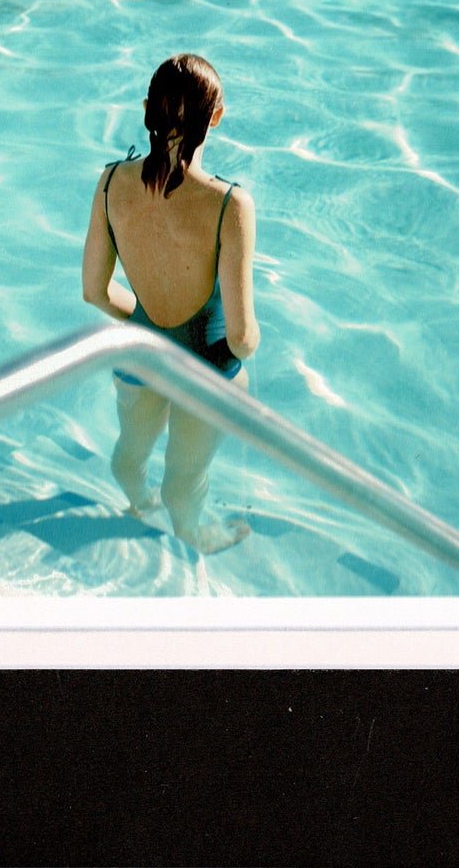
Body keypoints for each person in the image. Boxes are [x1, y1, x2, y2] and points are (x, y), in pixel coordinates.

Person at [81, 54, 260, 553]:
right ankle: (193, 538)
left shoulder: (110, 182)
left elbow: (94, 291)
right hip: (205, 371)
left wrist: (149, 326)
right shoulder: (230, 205)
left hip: (139, 358)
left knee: (129, 456)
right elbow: (242, 338)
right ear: (216, 117)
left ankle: (139, 504)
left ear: (146, 110)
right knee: (184, 479)